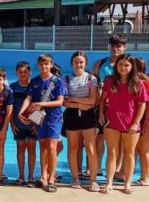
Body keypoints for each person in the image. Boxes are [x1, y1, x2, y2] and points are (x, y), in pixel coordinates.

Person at [98, 54, 149, 195]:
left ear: (132, 67)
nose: (123, 68)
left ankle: (127, 184)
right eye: (120, 65)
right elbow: (102, 99)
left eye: (126, 65)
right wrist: (101, 114)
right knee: (112, 152)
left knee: (129, 153)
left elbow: (142, 104)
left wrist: (136, 122)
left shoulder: (139, 83)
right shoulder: (109, 81)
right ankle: (108, 183)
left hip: (131, 125)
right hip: (112, 122)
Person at [18, 54, 67, 193]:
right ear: (38, 66)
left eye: (47, 64)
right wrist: (20, 112)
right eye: (41, 64)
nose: (44, 66)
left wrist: (41, 103)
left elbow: (60, 102)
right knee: (43, 146)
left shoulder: (58, 81)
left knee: (52, 147)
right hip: (39, 118)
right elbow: (28, 98)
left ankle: (51, 179)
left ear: (51, 64)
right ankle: (43, 176)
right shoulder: (34, 81)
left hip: (54, 118)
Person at [63, 51, 99, 191]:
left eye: (81, 62)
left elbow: (92, 100)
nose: (79, 64)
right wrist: (80, 104)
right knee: (72, 147)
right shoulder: (66, 79)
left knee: (90, 148)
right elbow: (65, 102)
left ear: (86, 63)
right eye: (76, 62)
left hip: (87, 116)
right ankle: (75, 178)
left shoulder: (91, 79)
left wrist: (75, 100)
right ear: (72, 63)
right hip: (71, 115)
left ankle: (93, 180)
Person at [91, 33, 128, 174]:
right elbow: (91, 84)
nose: (115, 49)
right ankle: (96, 167)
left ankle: (117, 170)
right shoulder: (100, 64)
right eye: (113, 46)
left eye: (119, 46)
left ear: (124, 47)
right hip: (101, 106)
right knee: (98, 138)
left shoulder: (128, 65)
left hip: (121, 109)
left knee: (119, 140)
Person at [10, 62, 36, 186]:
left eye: (25, 72)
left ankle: (31, 177)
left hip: (32, 125)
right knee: (20, 149)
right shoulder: (13, 87)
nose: (23, 74)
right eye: (20, 72)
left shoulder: (35, 86)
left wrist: (36, 124)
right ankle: (21, 176)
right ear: (16, 73)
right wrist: (12, 124)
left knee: (31, 149)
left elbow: (39, 107)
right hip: (18, 124)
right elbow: (9, 108)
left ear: (30, 73)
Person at [133, 57, 149, 187]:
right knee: (138, 149)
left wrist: (146, 120)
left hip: (143, 121)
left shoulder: (143, 82)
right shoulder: (143, 80)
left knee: (143, 150)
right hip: (140, 120)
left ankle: (145, 178)